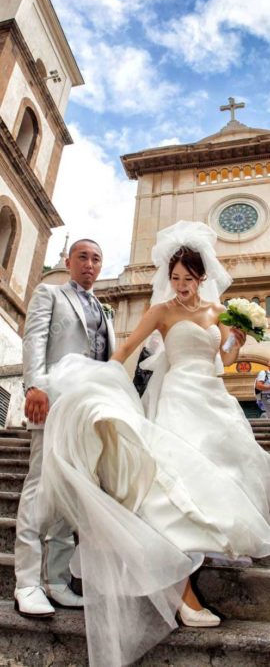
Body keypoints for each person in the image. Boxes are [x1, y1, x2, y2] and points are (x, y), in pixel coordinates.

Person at [36, 221, 270, 667]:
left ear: (202, 278)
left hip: (214, 400)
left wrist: (237, 342)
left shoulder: (216, 313)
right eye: (175, 279)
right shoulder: (161, 311)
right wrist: (95, 383)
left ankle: (180, 581)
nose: (181, 287)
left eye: (188, 280)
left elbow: (225, 360)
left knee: (220, 479)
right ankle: (182, 593)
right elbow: (125, 351)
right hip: (178, 399)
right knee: (173, 483)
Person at [14, 239, 115, 618]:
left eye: (97, 258)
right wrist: (34, 385)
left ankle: (56, 580)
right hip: (51, 401)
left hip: (86, 411)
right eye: (83, 257)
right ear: (70, 262)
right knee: (39, 487)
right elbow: (35, 338)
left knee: (68, 491)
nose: (90, 264)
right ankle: (26, 582)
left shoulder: (105, 310)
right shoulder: (49, 292)